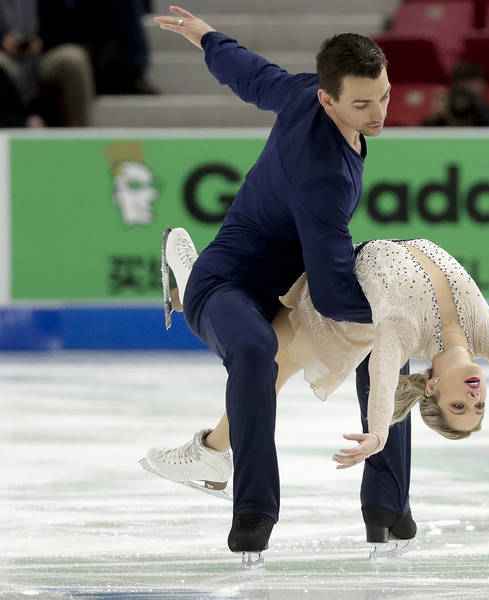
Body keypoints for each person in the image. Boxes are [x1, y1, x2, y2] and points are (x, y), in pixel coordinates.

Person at [147, 229, 489, 549]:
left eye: (458, 406)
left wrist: (378, 433)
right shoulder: (487, 336)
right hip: (339, 271)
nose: (472, 394)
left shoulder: (402, 333)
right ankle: (213, 454)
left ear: (431, 392)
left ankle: (189, 279)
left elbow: (382, 380)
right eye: (479, 404)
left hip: (337, 316)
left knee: (262, 368)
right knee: (265, 371)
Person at [149, 6, 414, 565]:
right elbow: (331, 281)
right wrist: (396, 317)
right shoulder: (324, 177)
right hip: (229, 286)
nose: (379, 113)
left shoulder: (300, 94)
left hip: (290, 290)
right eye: (362, 103)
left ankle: (386, 503)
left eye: (384, 95)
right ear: (328, 98)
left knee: (388, 333)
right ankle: (253, 511)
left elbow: (250, 73)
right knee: (256, 348)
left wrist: (206, 36)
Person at [0, 0, 94, 126]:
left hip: (38, 58)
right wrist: (3, 43)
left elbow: (61, 26)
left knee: (75, 58)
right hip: (5, 58)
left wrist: (39, 42)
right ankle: (15, 123)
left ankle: (84, 132)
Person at [422, 62, 489, 127]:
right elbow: (418, 142)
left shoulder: (488, 114)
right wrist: (434, 119)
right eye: (465, 84)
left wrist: (479, 114)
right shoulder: (443, 114)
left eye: (474, 82)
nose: (470, 89)